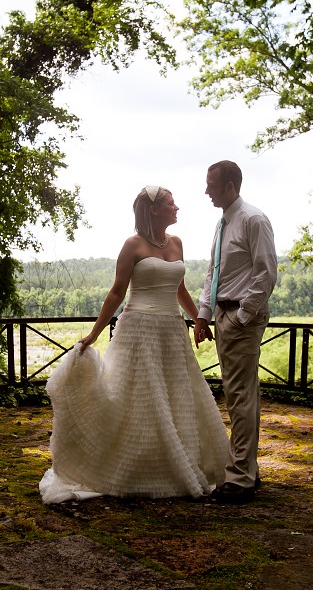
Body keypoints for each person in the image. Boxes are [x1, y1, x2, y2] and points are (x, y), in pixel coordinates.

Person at [38, 185, 229, 504]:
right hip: (138, 330)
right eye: (171, 203)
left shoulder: (177, 242)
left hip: (171, 330)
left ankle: (177, 460)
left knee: (178, 395)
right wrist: (95, 333)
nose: (177, 207)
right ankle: (134, 467)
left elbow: (180, 289)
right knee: (139, 399)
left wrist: (198, 319)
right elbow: (116, 292)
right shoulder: (133, 244)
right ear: (154, 209)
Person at [194, 160, 277, 504]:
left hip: (241, 318)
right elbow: (214, 273)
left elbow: (266, 273)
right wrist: (203, 315)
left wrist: (242, 316)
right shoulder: (222, 224)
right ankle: (248, 471)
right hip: (223, 316)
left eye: (211, 184)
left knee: (241, 397)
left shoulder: (253, 220)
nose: (206, 190)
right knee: (239, 395)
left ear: (230, 186)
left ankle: (241, 479)